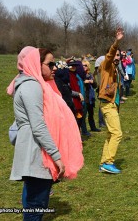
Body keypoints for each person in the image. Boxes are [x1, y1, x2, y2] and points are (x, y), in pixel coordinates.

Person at [7, 47, 84, 220]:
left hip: (37, 152)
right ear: (36, 63)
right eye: (50, 64)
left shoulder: (34, 84)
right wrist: (56, 155)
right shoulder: (32, 86)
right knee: (36, 206)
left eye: (55, 63)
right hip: (37, 154)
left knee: (33, 201)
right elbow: (38, 125)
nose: (55, 67)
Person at [98, 28, 124, 174]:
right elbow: (109, 55)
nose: (118, 57)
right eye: (116, 54)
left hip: (111, 104)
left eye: (120, 55)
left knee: (110, 134)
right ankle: (109, 162)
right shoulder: (106, 65)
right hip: (108, 104)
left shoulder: (114, 68)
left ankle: (103, 162)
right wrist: (116, 42)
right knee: (117, 133)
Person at [81, 60, 101, 134]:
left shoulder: (90, 75)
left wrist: (92, 82)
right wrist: (84, 82)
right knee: (84, 115)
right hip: (84, 97)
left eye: (85, 65)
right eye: (82, 65)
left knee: (91, 114)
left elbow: (95, 85)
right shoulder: (80, 74)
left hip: (90, 97)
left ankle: (93, 127)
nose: (84, 67)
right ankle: (84, 130)